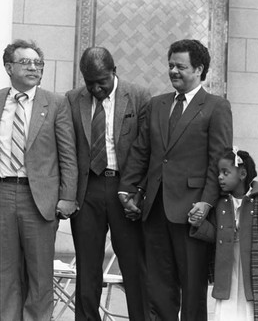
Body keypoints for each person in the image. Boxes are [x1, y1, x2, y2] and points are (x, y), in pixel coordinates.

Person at [118, 39, 233, 320]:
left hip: (192, 212)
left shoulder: (216, 107)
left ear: (199, 69)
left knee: (193, 291)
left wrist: (206, 204)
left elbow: (218, 162)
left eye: (180, 66)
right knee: (158, 288)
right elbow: (141, 152)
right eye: (170, 65)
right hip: (154, 210)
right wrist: (126, 190)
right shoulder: (157, 104)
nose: (173, 71)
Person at [66, 46, 150, 320]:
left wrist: (138, 191)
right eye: (89, 82)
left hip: (124, 188)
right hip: (87, 189)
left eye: (101, 82)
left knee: (133, 264)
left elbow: (147, 147)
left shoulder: (137, 96)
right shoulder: (72, 99)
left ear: (114, 72)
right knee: (88, 267)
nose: (95, 88)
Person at [0, 39, 78, 320]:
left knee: (39, 274)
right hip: (3, 193)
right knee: (4, 272)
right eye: (26, 62)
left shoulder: (56, 103)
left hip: (40, 199)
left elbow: (68, 153)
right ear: (9, 67)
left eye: (38, 63)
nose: (34, 68)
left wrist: (68, 196)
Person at [189, 148, 258, 321]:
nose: (220, 177)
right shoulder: (219, 203)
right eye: (219, 172)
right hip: (230, 270)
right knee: (231, 313)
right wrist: (199, 224)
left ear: (242, 173)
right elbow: (214, 234)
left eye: (225, 172)